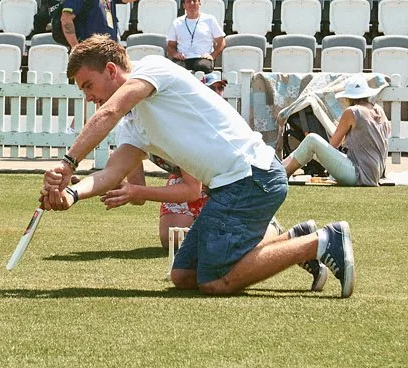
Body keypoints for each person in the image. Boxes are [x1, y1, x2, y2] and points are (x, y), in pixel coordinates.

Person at [38, 37, 356, 297]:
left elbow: (108, 112)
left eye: (87, 86)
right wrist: (72, 195)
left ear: (110, 70)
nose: (88, 96)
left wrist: (67, 163)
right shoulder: (133, 122)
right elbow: (111, 174)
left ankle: (323, 241)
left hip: (252, 177)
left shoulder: (152, 69)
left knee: (215, 281)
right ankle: (296, 238)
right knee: (184, 274)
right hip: (231, 185)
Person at [283, 74, 389, 188]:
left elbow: (334, 144)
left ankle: (282, 175)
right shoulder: (379, 110)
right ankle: (281, 168)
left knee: (311, 140)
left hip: (359, 175)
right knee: (309, 146)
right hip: (375, 174)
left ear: (348, 97)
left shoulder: (352, 111)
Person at [165, 0, 225, 77]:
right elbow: (171, 45)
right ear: (184, 5)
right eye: (188, 1)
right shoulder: (177, 22)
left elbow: (221, 42)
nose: (192, 3)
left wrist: (212, 55)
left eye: (194, 1)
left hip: (202, 58)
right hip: (183, 58)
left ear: (199, 3)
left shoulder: (210, 20)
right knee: (175, 69)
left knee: (201, 67)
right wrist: (175, 54)